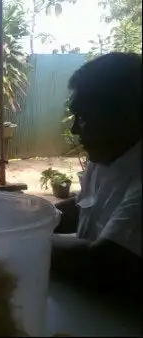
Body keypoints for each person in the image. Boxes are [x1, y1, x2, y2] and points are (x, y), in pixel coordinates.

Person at [51, 52, 141, 298]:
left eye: (84, 117)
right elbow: (83, 208)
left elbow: (104, 263)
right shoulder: (104, 154)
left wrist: (22, 240)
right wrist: (34, 217)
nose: (74, 129)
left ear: (125, 116)